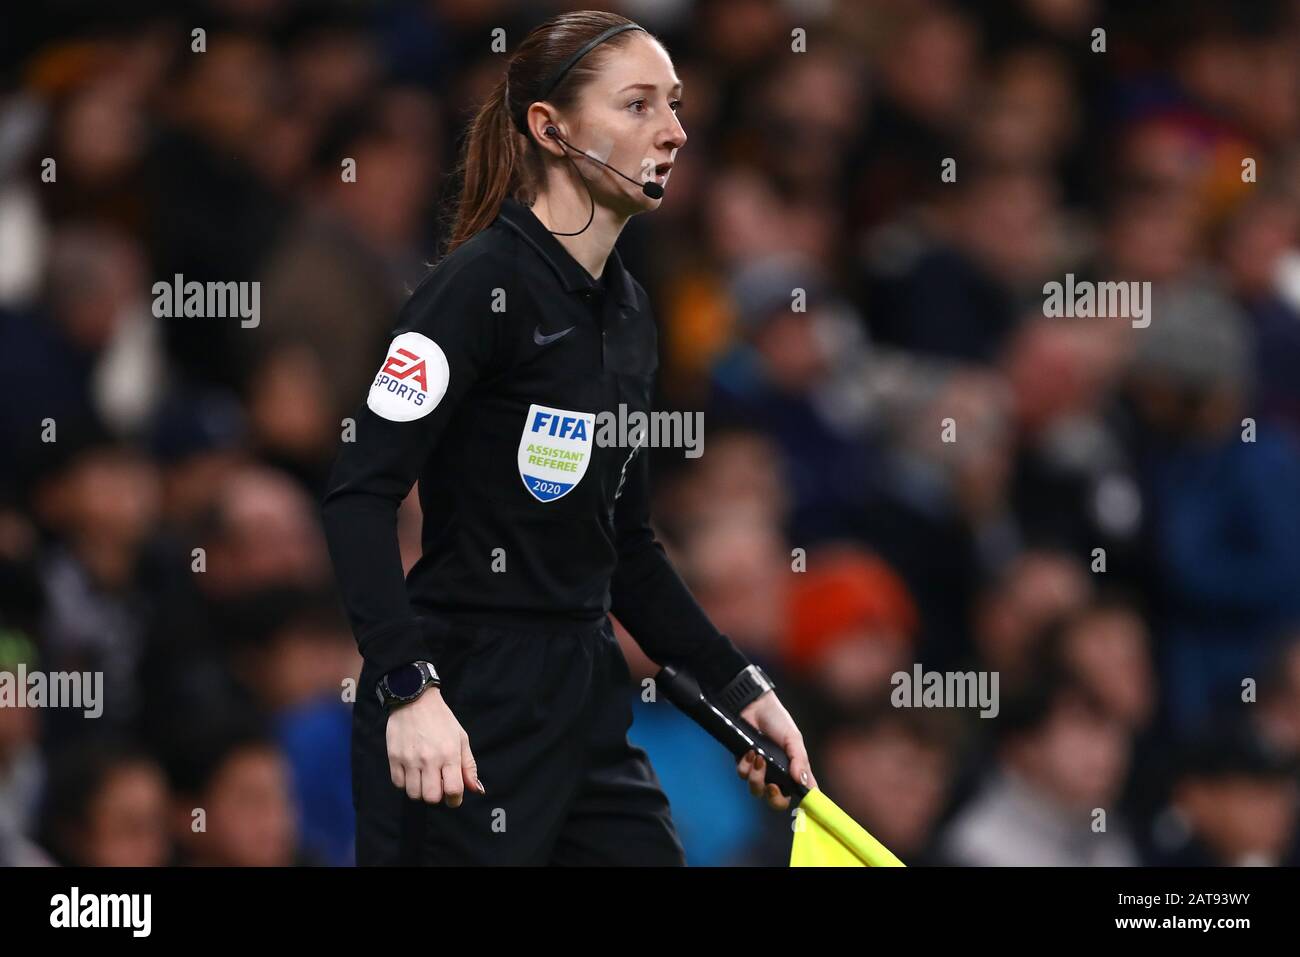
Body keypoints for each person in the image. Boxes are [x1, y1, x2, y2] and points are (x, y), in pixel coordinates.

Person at [321, 11, 815, 866]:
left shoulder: (629, 313)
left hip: (586, 693)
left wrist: (742, 687)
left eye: (675, 104)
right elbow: (359, 495)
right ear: (550, 129)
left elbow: (622, 546)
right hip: (463, 697)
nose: (674, 130)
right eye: (637, 105)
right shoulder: (474, 288)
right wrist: (408, 686)